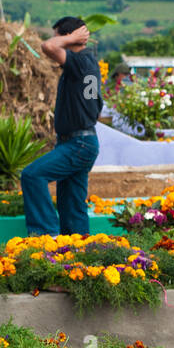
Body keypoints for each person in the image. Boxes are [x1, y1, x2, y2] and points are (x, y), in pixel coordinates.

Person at [20, 16, 103, 236]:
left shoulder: (80, 61)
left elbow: (47, 46)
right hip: (83, 141)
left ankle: (46, 235)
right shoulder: (87, 64)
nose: (55, 40)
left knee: (32, 175)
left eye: (59, 35)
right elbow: (93, 101)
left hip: (79, 143)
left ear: (69, 37)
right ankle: (78, 248)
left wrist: (71, 37)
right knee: (71, 203)